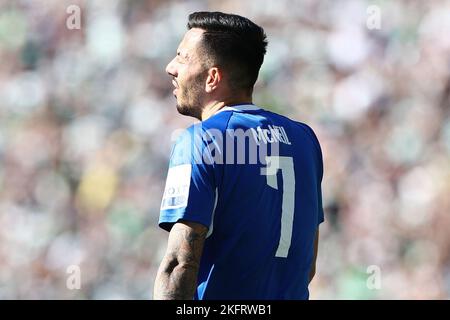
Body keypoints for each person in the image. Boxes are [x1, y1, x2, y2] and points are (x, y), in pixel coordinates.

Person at [153, 11, 324, 300]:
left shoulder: (201, 141)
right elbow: (307, 266)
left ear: (212, 78)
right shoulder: (305, 140)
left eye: (182, 57)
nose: (171, 67)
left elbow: (180, 263)